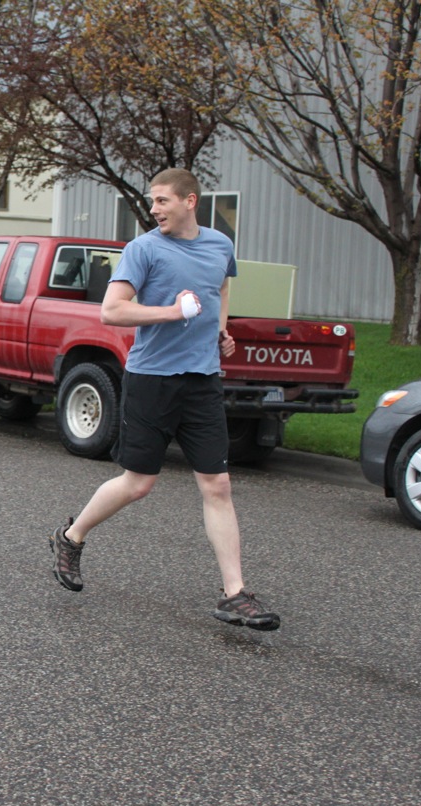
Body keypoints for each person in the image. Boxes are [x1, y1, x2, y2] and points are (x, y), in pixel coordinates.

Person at [49, 168, 280, 631]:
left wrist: (220, 330)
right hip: (152, 379)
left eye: (162, 201)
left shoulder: (220, 245)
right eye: (152, 201)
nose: (153, 209)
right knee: (138, 484)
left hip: (203, 381)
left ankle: (235, 594)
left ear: (189, 201)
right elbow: (112, 310)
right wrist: (172, 312)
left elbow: (221, 287)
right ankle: (71, 537)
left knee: (217, 485)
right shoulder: (144, 249)